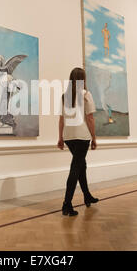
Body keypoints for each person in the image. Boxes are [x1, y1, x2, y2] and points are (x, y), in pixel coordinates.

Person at [57, 67, 98, 216]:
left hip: (69, 137)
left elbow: (61, 119)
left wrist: (61, 138)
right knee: (76, 168)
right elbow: (90, 118)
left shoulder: (64, 96)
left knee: (81, 165)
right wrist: (94, 138)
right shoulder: (86, 94)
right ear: (83, 79)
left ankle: (87, 196)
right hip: (82, 136)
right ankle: (66, 204)